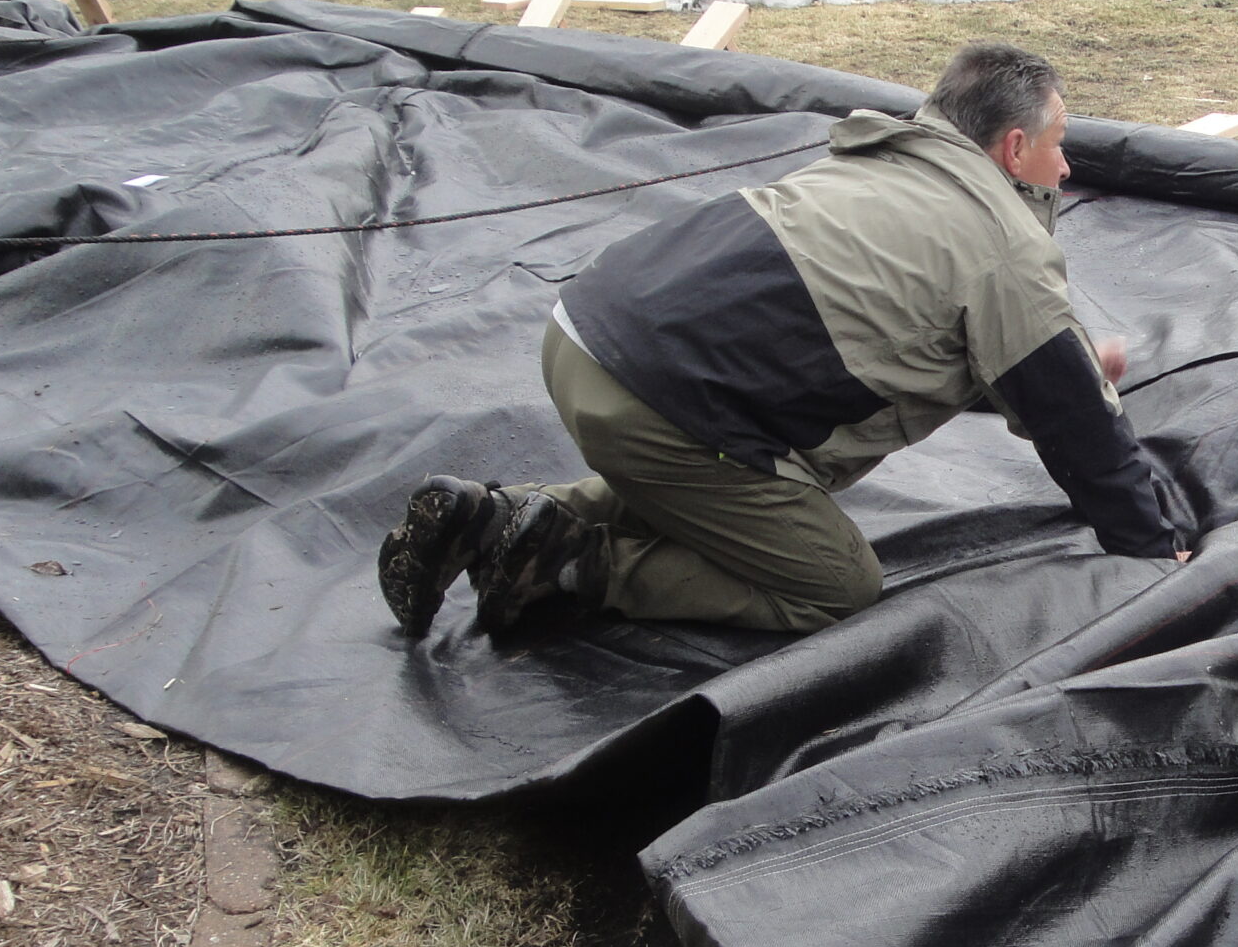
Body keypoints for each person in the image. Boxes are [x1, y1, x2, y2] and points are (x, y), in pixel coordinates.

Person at [378, 41, 1188, 640]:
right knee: (835, 585)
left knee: (708, 471)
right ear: (1015, 149)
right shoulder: (1004, 244)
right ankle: (562, 567)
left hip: (581, 338)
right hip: (664, 408)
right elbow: (1080, 432)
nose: (1068, 166)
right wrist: (1154, 555)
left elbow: (914, 333)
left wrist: (1062, 366)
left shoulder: (882, 163)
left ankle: (500, 517)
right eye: (1058, 143)